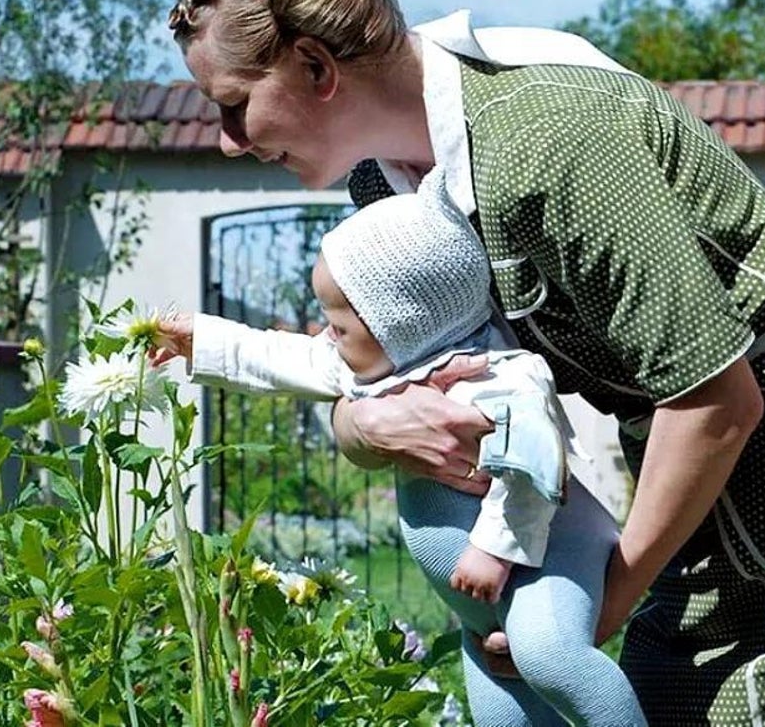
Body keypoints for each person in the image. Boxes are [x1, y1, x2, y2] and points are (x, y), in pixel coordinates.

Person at [168, 0, 765, 725]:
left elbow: (716, 401)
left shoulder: (550, 138)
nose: (228, 140)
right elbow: (381, 371)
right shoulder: (384, 191)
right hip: (691, 494)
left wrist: (594, 609)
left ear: (313, 65)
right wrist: (361, 427)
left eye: (235, 105)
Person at [153, 169, 648, 726]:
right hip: (482, 601)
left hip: (543, 560)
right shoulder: (382, 366)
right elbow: (282, 358)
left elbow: (532, 464)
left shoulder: (499, 376)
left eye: (339, 325)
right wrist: (200, 340)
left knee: (549, 654)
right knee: (500, 715)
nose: (326, 334)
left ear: (399, 323)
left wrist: (493, 549)